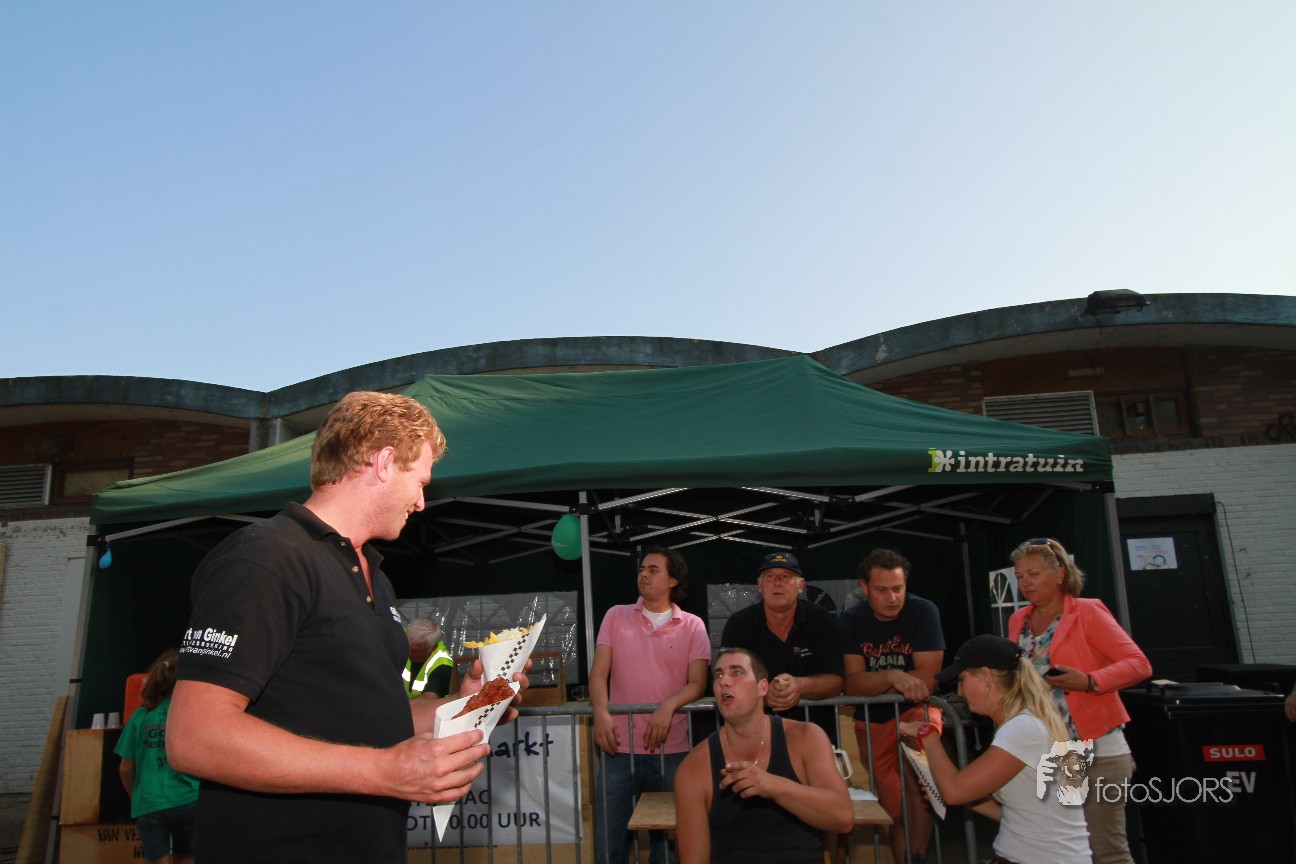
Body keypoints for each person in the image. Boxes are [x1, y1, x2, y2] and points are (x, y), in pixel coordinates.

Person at [168, 391, 526, 864]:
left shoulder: (374, 575)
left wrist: (470, 704)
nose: (421, 503)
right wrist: (383, 771)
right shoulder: (265, 557)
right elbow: (195, 737)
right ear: (383, 463)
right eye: (420, 482)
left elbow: (368, 718)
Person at [1007, 537, 1151, 864]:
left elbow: (1139, 664)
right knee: (1067, 849)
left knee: (1107, 850)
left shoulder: (1087, 611)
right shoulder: (1018, 620)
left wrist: (1090, 681)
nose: (1025, 583)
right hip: (1054, 752)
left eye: (1033, 574)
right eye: (1019, 576)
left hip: (1098, 747)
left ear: (1060, 574)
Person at [899, 635, 1091, 864]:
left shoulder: (1022, 728)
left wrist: (927, 734)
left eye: (962, 680)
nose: (960, 691)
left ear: (986, 677)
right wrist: (949, 790)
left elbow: (955, 791)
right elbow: (1009, 812)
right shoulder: (1024, 724)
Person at [674, 648, 854, 864]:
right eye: (718, 675)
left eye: (737, 672)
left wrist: (773, 785)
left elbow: (843, 818)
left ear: (762, 687)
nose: (724, 682)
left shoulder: (806, 737)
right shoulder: (693, 767)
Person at [590, 546, 711, 864]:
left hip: (672, 752)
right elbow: (598, 673)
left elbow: (698, 683)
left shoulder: (693, 625)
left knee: (669, 849)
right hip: (617, 750)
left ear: (673, 580)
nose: (643, 574)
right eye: (642, 569)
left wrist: (668, 706)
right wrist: (600, 713)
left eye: (653, 570)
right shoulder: (615, 615)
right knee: (609, 845)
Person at [837, 548, 945, 864]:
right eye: (882, 590)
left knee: (920, 783)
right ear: (864, 587)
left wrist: (878, 683)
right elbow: (852, 684)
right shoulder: (850, 620)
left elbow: (928, 679)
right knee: (894, 808)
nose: (892, 598)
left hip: (917, 711)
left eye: (898, 589)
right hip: (872, 721)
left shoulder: (924, 611)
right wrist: (892, 676)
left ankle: (917, 856)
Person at [720, 551, 844, 741]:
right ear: (760, 585)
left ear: (800, 585)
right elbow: (726, 681)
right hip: (754, 738)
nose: (777, 583)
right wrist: (762, 696)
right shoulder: (738, 624)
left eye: (786, 576)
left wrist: (800, 685)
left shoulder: (820, 619)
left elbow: (835, 681)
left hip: (813, 736)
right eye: (770, 577)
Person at [114, 648, 199, 864]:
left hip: (148, 802)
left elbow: (125, 768)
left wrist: (138, 797)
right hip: (188, 799)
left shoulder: (140, 716)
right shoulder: (191, 715)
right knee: (187, 858)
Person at [404, 617, 456, 699]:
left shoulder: (443, 665)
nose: (409, 653)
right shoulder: (402, 638)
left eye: (416, 651)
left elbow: (429, 698)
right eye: (407, 648)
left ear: (433, 648)